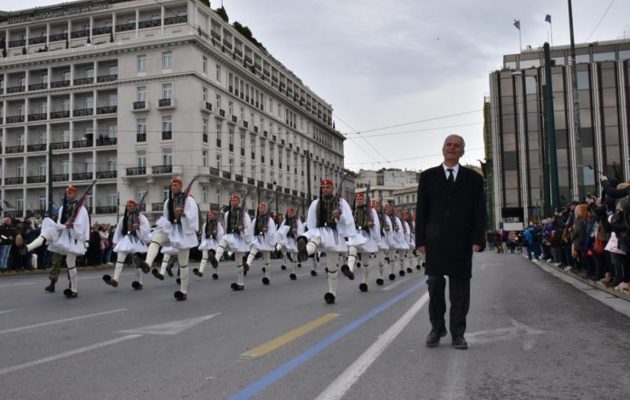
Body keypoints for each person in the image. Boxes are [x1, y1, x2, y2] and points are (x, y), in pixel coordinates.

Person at [415, 135, 486, 350]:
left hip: (461, 241)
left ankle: (458, 333)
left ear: (462, 152)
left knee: (460, 290)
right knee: (434, 285)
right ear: (443, 149)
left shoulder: (474, 179)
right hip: (434, 242)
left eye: (457, 146)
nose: (452, 148)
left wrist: (478, 239)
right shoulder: (428, 177)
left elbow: (479, 212)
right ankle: (437, 328)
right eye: (449, 145)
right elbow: (421, 211)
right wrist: (420, 241)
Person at [135, 177, 199, 301]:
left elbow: (194, 216)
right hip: (170, 228)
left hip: (183, 231)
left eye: (175, 185)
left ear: (180, 186)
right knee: (156, 239)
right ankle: (147, 263)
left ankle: (183, 291)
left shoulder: (189, 200)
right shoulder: (168, 201)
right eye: (171, 185)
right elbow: (166, 216)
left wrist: (184, 214)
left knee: (183, 264)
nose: (172, 187)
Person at [21, 185, 90, 298]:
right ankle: (27, 247)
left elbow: (84, 225)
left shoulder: (81, 209)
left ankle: (73, 289)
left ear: (75, 194)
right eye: (67, 193)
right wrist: (60, 227)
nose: (68, 195)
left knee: (70, 263)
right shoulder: (63, 208)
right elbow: (59, 222)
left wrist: (74, 227)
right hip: (63, 234)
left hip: (73, 237)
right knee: (47, 233)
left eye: (70, 193)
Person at [297, 178, 358, 304]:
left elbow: (349, 221)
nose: (325, 190)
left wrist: (339, 216)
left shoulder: (341, 203)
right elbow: (311, 222)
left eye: (327, 187)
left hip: (333, 234)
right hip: (320, 230)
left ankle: (332, 293)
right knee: (315, 237)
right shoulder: (316, 203)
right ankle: (304, 251)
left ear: (333, 189)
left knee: (332, 267)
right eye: (323, 188)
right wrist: (311, 231)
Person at [208, 193, 252, 291]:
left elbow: (248, 227)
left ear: (239, 202)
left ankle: (240, 283)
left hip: (239, 237)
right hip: (230, 235)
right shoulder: (227, 214)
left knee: (238, 262)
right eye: (231, 200)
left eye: (235, 200)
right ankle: (215, 260)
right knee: (223, 242)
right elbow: (226, 226)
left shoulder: (244, 214)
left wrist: (243, 229)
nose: (232, 201)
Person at [103, 200, 150, 290]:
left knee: (136, 263)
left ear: (135, 206)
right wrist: (116, 243)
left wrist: (138, 227)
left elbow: (146, 229)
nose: (129, 207)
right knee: (120, 259)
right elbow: (119, 231)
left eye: (130, 205)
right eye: (127, 206)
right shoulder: (123, 218)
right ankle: (115, 279)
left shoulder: (141, 218)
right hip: (126, 240)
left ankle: (140, 282)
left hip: (136, 240)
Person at [346, 192, 380, 292]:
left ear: (364, 200)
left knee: (365, 262)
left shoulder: (370, 211)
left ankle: (364, 282)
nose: (359, 201)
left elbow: (376, 224)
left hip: (365, 234)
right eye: (357, 200)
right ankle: (350, 269)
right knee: (352, 248)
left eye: (361, 199)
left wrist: (371, 226)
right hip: (356, 233)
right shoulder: (354, 210)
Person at [245, 202, 278, 285]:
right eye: (260, 207)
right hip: (257, 239)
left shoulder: (270, 220)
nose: (261, 208)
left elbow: (273, 232)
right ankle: (247, 264)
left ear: (266, 209)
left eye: (263, 207)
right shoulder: (255, 220)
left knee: (267, 260)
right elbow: (251, 231)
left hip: (266, 240)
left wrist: (267, 231)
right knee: (253, 250)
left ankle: (267, 277)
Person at [275, 207, 306, 280]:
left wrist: (296, 232)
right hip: (286, 239)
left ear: (293, 214)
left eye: (291, 213)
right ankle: (276, 250)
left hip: (294, 240)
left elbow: (301, 232)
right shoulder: (285, 221)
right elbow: (280, 231)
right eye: (288, 212)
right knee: (281, 243)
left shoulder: (297, 222)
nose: (290, 214)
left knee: (294, 257)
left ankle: (294, 272)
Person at [193, 210, 225, 280]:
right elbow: (203, 235)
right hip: (207, 242)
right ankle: (200, 271)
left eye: (211, 215)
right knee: (204, 257)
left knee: (215, 259)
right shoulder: (205, 225)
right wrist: (202, 243)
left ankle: (215, 273)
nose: (209, 216)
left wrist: (216, 233)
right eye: (209, 215)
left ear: (214, 216)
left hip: (214, 242)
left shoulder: (218, 224)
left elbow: (221, 234)